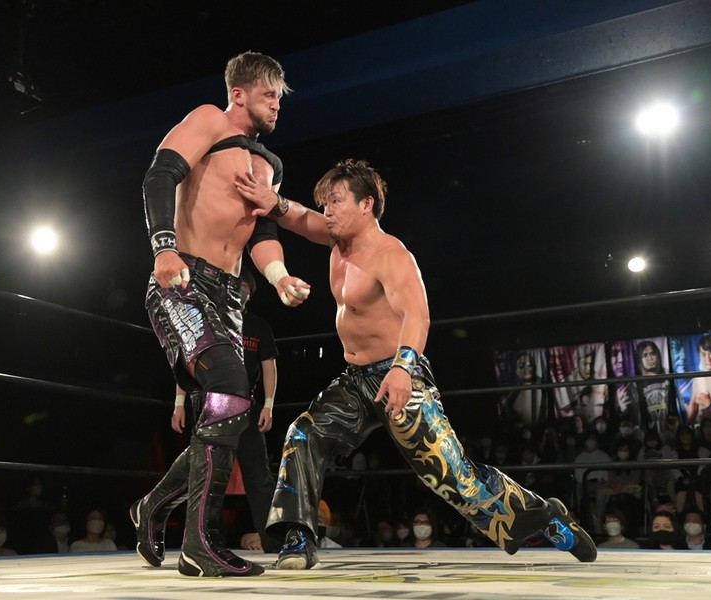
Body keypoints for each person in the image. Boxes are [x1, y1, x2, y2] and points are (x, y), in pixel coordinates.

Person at [234, 158, 597, 569]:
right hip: (356, 379)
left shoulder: (391, 255)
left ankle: (545, 517)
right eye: (325, 203)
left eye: (336, 201)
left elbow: (417, 315)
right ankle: (298, 538)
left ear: (367, 204)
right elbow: (300, 218)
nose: (327, 211)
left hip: (399, 373)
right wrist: (274, 202)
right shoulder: (338, 240)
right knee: (304, 433)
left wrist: (403, 368)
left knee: (452, 478)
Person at [130, 51, 309, 578]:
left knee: (229, 413)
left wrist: (280, 278)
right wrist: (163, 248)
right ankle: (199, 543)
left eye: (280, 98)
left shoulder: (271, 166)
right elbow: (160, 174)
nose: (277, 105)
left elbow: (263, 232)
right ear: (239, 93)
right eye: (269, 94)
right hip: (184, 277)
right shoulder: (210, 120)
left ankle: (154, 507)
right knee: (230, 391)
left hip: (231, 296)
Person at [170, 266, 281, 553]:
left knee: (259, 475)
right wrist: (179, 404)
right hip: (209, 404)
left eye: (244, 289)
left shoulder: (257, 326)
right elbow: (186, 363)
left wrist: (268, 405)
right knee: (207, 475)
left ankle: (272, 540)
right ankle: (208, 542)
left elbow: (269, 367)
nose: (238, 293)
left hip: (247, 406)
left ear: (249, 295)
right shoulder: (207, 322)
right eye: (235, 287)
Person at [633, 340, 675, 432]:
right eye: (645, 355)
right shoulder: (636, 382)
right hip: (648, 428)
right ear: (640, 359)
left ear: (658, 355)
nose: (650, 359)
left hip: (669, 426)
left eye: (652, 354)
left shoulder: (667, 375)